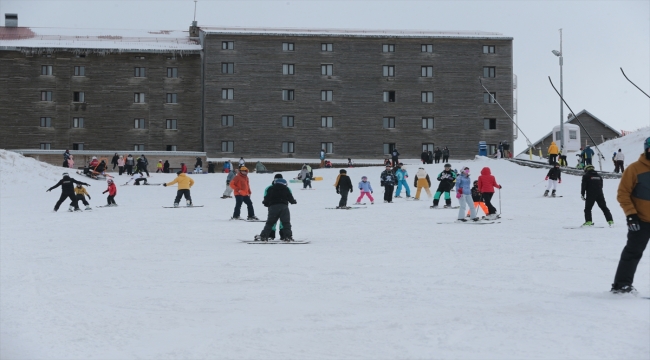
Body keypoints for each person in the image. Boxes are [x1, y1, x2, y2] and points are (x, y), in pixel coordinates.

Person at [610, 137, 650, 294]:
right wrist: (631, 215)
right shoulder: (634, 169)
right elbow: (623, 194)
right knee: (632, 253)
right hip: (640, 221)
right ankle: (621, 286)